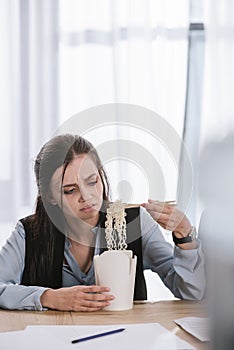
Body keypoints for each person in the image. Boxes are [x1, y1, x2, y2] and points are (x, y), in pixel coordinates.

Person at [0, 134, 205, 311]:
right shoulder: (28, 232)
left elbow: (191, 293)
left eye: (92, 181)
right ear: (49, 196)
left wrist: (184, 234)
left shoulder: (134, 223)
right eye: (70, 190)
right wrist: (49, 297)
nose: (87, 196)